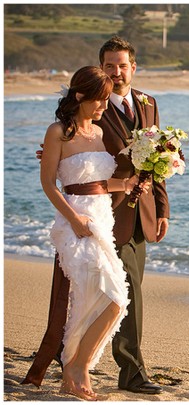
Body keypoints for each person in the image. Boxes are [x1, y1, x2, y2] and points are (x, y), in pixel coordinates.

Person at [23, 36, 170, 395]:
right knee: (99, 295)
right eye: (109, 67)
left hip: (114, 213)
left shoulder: (134, 111)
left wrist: (153, 198)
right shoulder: (64, 129)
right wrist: (56, 164)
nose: (116, 74)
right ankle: (92, 370)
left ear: (133, 67)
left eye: (122, 66)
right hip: (84, 219)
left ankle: (77, 367)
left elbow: (135, 168)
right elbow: (58, 174)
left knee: (112, 296)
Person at [30, 66, 142, 400]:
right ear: (80, 96)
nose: (103, 108)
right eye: (99, 101)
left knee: (99, 300)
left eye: (107, 102)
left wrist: (128, 183)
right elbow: (50, 185)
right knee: (110, 299)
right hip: (74, 223)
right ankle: (76, 369)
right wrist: (75, 219)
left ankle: (74, 369)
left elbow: (99, 182)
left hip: (102, 219)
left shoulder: (98, 132)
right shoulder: (57, 132)